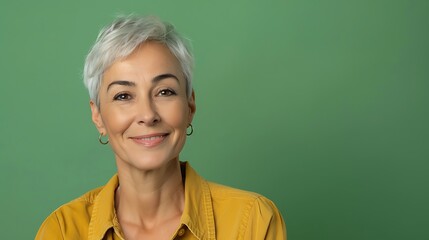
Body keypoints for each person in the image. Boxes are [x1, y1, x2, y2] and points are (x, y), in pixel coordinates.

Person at [35, 15, 286, 240]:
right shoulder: (62, 231)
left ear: (190, 107)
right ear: (98, 116)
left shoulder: (253, 221)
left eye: (165, 91)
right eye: (123, 95)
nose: (147, 114)